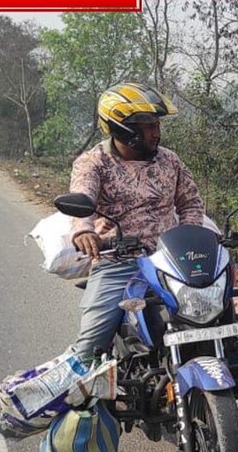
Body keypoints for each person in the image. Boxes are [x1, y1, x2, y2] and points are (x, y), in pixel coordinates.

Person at [69, 82, 205, 358]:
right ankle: (84, 394)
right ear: (123, 129)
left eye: (157, 124)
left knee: (219, 314)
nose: (157, 132)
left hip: (171, 261)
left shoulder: (170, 161)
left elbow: (190, 202)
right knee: (89, 348)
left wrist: (191, 239)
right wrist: (84, 231)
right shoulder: (94, 163)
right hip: (119, 262)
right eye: (148, 125)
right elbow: (82, 199)